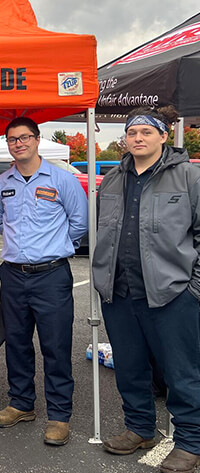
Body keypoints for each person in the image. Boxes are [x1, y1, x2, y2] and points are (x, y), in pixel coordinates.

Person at [92, 106, 200, 473]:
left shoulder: (188, 177)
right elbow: (100, 232)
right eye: (132, 132)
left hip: (172, 296)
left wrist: (193, 289)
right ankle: (140, 428)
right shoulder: (112, 180)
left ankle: (190, 441)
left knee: (181, 372)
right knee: (130, 367)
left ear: (164, 136)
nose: (138, 138)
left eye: (146, 132)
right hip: (119, 294)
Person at [0, 116, 88, 446]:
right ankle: (21, 404)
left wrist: (51, 249)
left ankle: (59, 416)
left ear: (37, 139)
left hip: (52, 276)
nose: (18, 143)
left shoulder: (63, 180)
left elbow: (79, 224)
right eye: (12, 139)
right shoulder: (2, 182)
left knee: (56, 346)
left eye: (24, 137)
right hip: (13, 276)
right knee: (16, 344)